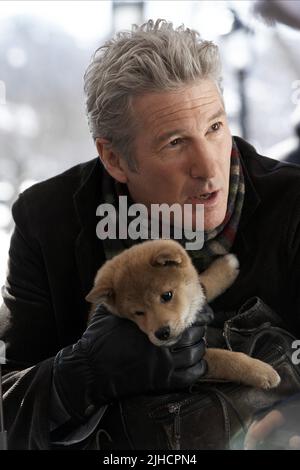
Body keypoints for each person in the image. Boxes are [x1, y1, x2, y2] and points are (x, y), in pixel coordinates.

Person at [1, 18, 300, 450]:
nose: (210, 167)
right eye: (175, 142)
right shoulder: (47, 221)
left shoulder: (291, 205)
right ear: (115, 159)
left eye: (215, 128)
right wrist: (81, 373)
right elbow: (7, 407)